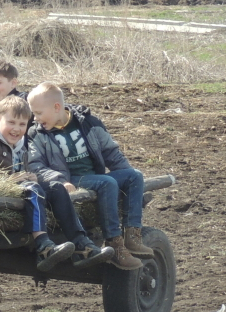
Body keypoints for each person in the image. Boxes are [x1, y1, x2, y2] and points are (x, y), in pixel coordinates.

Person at [0, 96, 113, 271]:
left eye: (22, 125)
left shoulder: (19, 144)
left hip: (16, 192)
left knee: (55, 187)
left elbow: (20, 173)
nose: (16, 129)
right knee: (33, 189)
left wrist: (31, 177)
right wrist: (7, 181)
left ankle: (81, 243)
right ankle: (42, 245)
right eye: (11, 122)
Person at [27, 82, 153, 271]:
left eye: (38, 113)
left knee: (134, 175)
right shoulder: (37, 134)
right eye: (33, 114)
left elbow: (111, 153)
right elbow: (36, 165)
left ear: (56, 107)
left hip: (94, 176)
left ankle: (133, 235)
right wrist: (60, 181)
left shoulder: (87, 123)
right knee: (107, 182)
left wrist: (131, 189)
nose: (35, 118)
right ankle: (114, 243)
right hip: (72, 179)